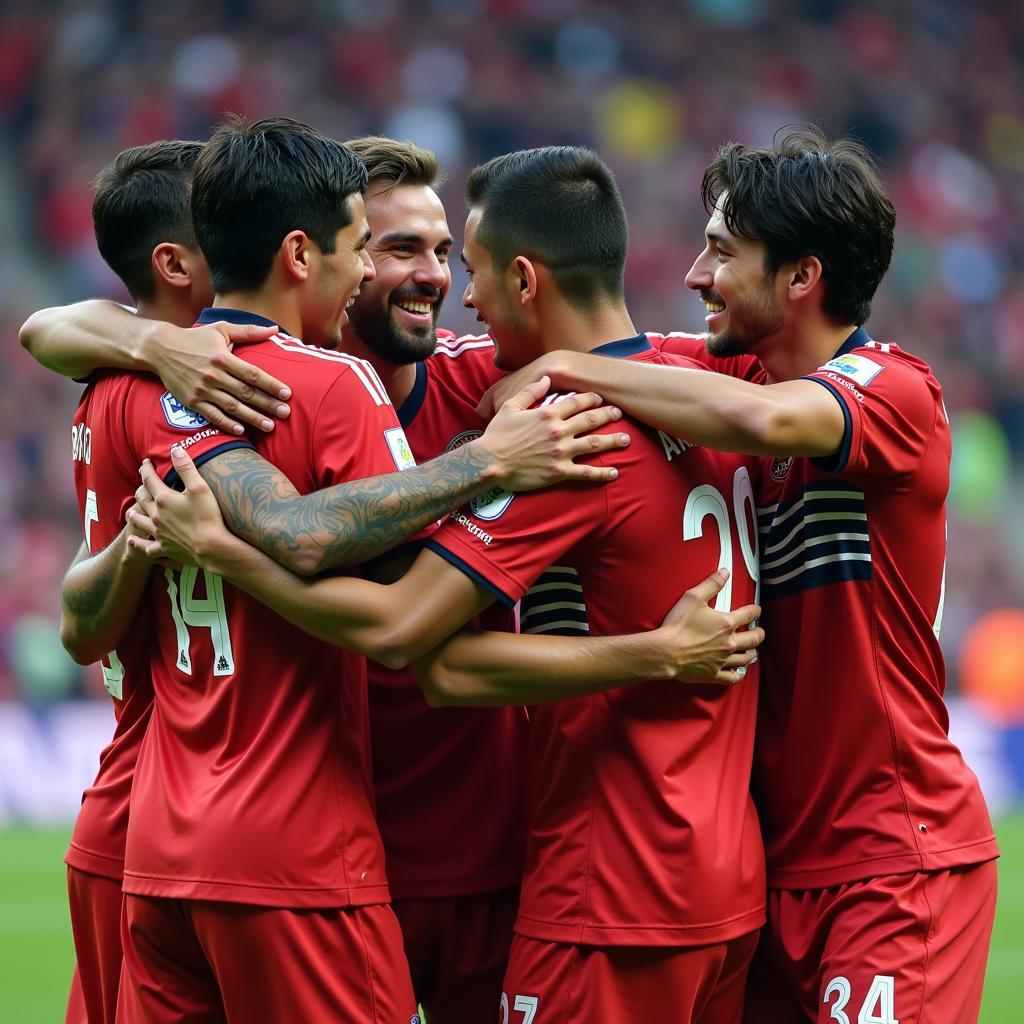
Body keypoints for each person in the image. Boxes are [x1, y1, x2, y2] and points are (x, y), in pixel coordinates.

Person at [130, 145, 767, 1023]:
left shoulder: (558, 435)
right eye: (388, 248)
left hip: (564, 874)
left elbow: (424, 648)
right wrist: (134, 333)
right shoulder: (690, 386)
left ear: (525, 280)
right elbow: (58, 331)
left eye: (458, 260)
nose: (449, 286)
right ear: (319, 256)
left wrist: (228, 550)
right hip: (693, 871)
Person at [483, 126, 999, 1024]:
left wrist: (561, 364)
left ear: (800, 278)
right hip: (768, 872)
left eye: (721, 252)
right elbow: (624, 351)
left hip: (890, 853)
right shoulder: (728, 372)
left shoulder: (894, 390)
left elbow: (753, 420)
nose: (693, 274)